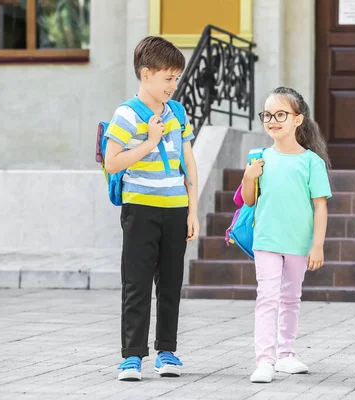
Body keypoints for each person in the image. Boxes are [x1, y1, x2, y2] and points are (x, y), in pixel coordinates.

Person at [103, 36, 200, 381]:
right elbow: (112, 163)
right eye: (168, 78)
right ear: (146, 75)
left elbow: (189, 162)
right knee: (137, 283)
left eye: (176, 78)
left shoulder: (178, 112)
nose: (174, 85)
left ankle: (167, 352)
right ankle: (131, 357)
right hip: (140, 208)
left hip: (175, 208)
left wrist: (192, 211)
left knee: (171, 283)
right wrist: (150, 143)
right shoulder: (127, 113)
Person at [243, 87, 332, 383]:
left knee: (291, 298)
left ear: (298, 119)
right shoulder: (259, 158)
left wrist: (317, 245)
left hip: (298, 243)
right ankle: (265, 359)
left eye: (280, 114)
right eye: (267, 115)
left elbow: (320, 207)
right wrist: (248, 176)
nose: (272, 120)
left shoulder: (311, 162)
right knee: (267, 297)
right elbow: (248, 200)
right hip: (266, 240)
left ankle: (286, 354)